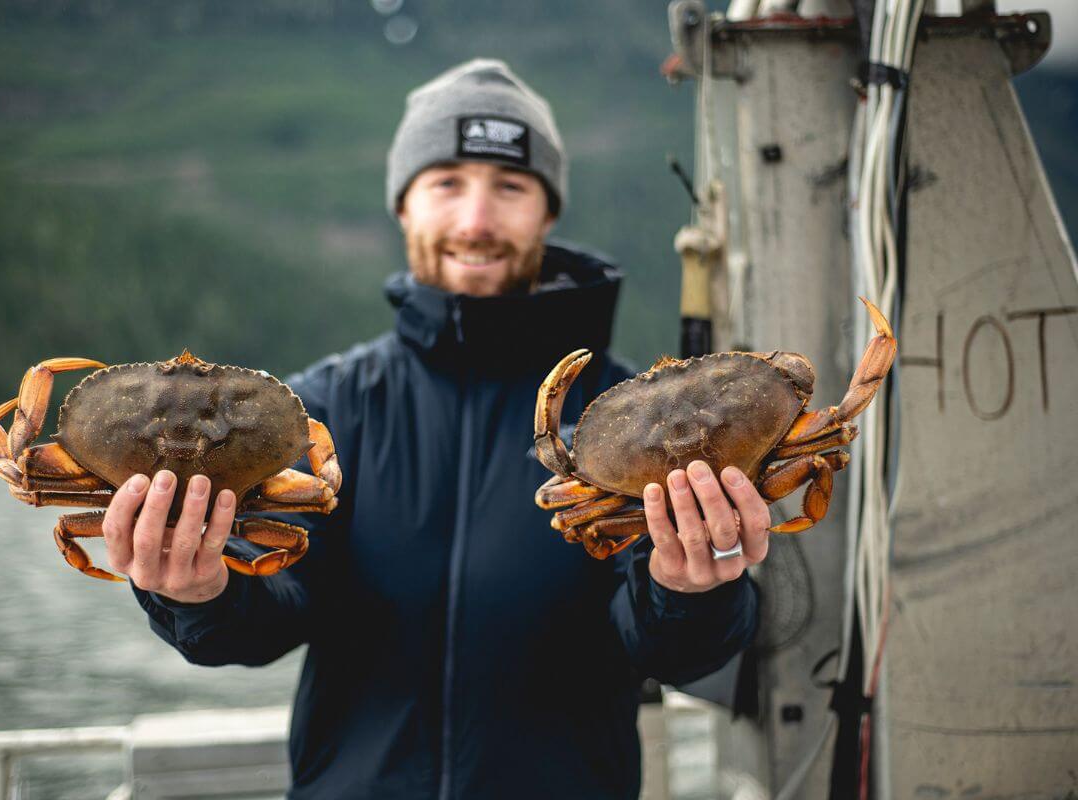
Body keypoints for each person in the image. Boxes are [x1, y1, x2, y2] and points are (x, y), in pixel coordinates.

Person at [102, 59, 769, 800]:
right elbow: (270, 614)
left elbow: (666, 645)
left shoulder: (629, 414)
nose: (476, 221)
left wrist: (695, 590)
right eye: (447, 183)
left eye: (509, 187)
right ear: (403, 206)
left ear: (547, 213)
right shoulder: (324, 410)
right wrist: (198, 592)